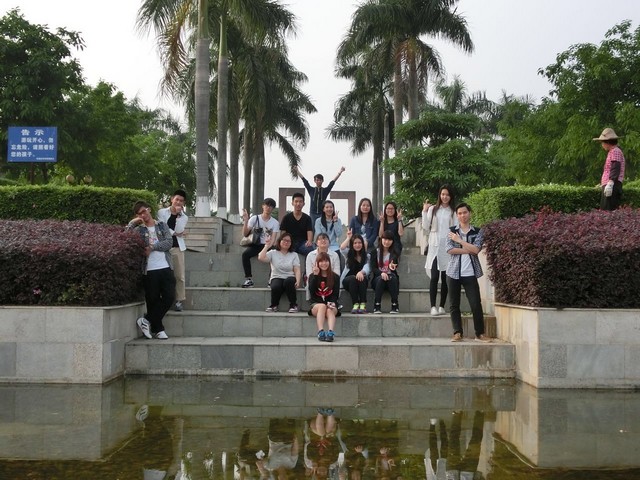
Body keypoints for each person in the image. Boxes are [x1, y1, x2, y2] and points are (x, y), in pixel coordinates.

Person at [125, 201, 175, 340]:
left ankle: (146, 320)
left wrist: (152, 247)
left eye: (144, 211)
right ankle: (158, 329)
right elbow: (126, 239)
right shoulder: (138, 230)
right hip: (149, 269)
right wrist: (131, 223)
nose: (143, 215)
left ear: (149, 210)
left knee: (169, 297)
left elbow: (169, 242)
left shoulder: (162, 225)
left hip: (165, 266)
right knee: (153, 300)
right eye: (139, 214)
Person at [445, 202, 491, 342]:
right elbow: (449, 249)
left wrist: (459, 240)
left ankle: (480, 333)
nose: (462, 215)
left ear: (469, 213)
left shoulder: (477, 231)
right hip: (453, 272)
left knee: (476, 303)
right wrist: (469, 249)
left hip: (470, 273)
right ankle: (457, 332)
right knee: (454, 304)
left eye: (465, 212)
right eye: (459, 213)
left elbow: (477, 249)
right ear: (457, 215)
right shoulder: (451, 230)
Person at [422, 185, 457, 316]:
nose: (445, 197)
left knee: (445, 277)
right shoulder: (433, 209)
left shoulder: (453, 212)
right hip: (434, 245)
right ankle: (433, 306)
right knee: (434, 277)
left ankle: (442, 306)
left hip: (447, 247)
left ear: (451, 196)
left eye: (447, 195)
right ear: (439, 195)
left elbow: (455, 229)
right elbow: (426, 226)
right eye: (443, 194)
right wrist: (424, 211)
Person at [157, 189, 188, 312]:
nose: (178, 202)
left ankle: (179, 300)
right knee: (163, 274)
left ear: (183, 203)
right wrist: (173, 232)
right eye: (177, 199)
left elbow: (179, 231)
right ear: (172, 199)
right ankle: (162, 298)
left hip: (177, 247)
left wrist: (177, 216)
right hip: (163, 247)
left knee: (179, 275)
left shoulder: (184, 217)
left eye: (181, 201)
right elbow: (163, 228)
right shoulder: (161, 212)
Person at [241, 198, 280, 288]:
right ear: (263, 206)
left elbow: (273, 239)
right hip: (256, 244)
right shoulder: (255, 218)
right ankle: (248, 279)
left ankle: (271, 280)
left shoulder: (275, 223)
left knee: (276, 256)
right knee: (245, 255)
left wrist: (267, 247)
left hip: (268, 245)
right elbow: (245, 234)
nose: (268, 208)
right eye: (266, 205)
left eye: (271, 206)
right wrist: (246, 221)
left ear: (273, 208)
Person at [258, 232, 302, 313]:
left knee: (289, 282)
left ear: (291, 243)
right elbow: (261, 257)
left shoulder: (294, 254)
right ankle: (274, 305)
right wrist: (266, 246)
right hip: (276, 277)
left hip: (289, 277)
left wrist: (298, 281)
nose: (286, 242)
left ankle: (293, 305)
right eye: (284, 240)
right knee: (276, 286)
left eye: (288, 241)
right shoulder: (273, 252)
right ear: (280, 241)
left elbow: (297, 269)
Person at [308, 252, 341, 342]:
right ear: (317, 263)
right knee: (322, 306)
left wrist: (332, 303)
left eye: (326, 261)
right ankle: (321, 331)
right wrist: (315, 276)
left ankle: (330, 332)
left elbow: (335, 294)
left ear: (329, 262)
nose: (324, 263)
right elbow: (312, 292)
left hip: (331, 303)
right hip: (316, 304)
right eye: (321, 261)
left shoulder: (335, 277)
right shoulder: (312, 276)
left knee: (330, 310)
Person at [593, 127, 625, 210]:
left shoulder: (615, 151)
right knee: (605, 210)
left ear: (607, 142)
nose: (602, 145)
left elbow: (615, 167)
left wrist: (610, 183)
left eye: (602, 142)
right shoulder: (613, 151)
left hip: (612, 185)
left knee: (607, 210)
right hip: (609, 185)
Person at [369, 230, 400, 314]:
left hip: (391, 279)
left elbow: (394, 265)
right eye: (385, 239)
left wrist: (392, 267)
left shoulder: (394, 253)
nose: (387, 242)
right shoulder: (375, 252)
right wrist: (381, 273)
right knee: (381, 279)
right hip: (378, 279)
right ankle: (377, 305)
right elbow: (373, 268)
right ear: (381, 239)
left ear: (392, 241)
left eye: (389, 240)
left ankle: (395, 304)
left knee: (392, 278)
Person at [340, 231, 370, 314]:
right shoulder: (348, 254)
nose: (357, 245)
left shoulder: (367, 256)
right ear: (352, 245)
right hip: (348, 281)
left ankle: (363, 304)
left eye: (359, 243)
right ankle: (355, 304)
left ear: (362, 244)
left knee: (361, 278)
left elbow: (368, 267)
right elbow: (342, 248)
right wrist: (348, 238)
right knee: (353, 278)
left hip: (361, 281)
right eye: (355, 243)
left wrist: (361, 272)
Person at [305, 233, 341, 300]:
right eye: (320, 239)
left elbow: (337, 273)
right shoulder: (310, 255)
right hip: (315, 281)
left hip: (330, 281)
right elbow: (309, 274)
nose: (323, 240)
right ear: (316, 243)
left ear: (329, 242)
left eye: (325, 239)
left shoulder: (335, 255)